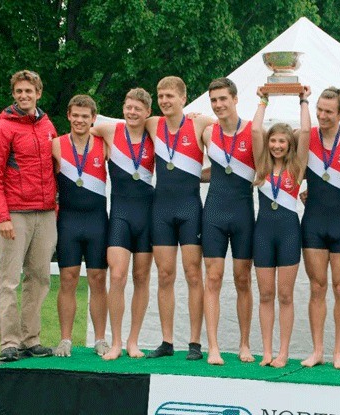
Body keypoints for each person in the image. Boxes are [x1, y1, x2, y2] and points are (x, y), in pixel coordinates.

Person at [0, 70, 58, 361]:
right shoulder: (2, 128)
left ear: (38, 93)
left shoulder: (47, 125)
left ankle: (31, 339)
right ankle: (9, 343)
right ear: (13, 94)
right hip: (15, 214)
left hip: (46, 213)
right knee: (9, 279)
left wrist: (56, 207)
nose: (24, 96)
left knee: (39, 278)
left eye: (29, 91)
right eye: (19, 92)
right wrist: (1, 217)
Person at [145, 76, 214, 360]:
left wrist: (198, 175)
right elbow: (113, 126)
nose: (164, 101)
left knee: (193, 274)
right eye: (160, 95)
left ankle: (195, 343)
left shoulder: (200, 124)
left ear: (184, 98)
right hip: (161, 209)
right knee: (164, 275)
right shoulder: (152, 124)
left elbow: (234, 134)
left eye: (170, 96)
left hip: (189, 209)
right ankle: (166, 341)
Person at [300, 87, 340, 370]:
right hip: (313, 220)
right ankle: (318, 351)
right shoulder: (306, 135)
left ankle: (339, 352)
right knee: (317, 287)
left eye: (328, 111)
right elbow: (270, 144)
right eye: (319, 110)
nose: (322, 116)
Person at [92, 88, 155, 360]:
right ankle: (115, 341)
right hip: (119, 214)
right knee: (116, 276)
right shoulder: (109, 130)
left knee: (141, 278)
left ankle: (133, 341)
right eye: (128, 107)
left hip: (147, 214)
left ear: (147, 112)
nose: (132, 112)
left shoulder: (155, 133)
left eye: (137, 108)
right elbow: (82, 131)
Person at [251, 86, 311, 368]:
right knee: (265, 295)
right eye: (272, 140)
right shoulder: (260, 166)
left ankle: (283, 351)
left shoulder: (297, 167)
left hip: (289, 233)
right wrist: (263, 100)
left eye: (282, 142)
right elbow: (254, 131)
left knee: (285, 295)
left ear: (290, 145)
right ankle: (266, 351)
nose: (276, 145)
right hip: (262, 234)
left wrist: (303, 100)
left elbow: (306, 133)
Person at [201, 77, 255, 365]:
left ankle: (244, 344)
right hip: (214, 211)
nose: (219, 104)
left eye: (223, 98)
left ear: (235, 99)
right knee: (213, 277)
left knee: (243, 279)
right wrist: (192, 175)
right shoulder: (207, 132)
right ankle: (213, 347)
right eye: (214, 100)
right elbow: (220, 169)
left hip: (243, 212)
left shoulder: (254, 130)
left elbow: (270, 163)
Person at [52, 95, 110, 357]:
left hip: (97, 220)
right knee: (68, 279)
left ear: (93, 119)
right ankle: (65, 339)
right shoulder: (56, 144)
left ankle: (100, 339)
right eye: (75, 115)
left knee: (98, 280)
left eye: (85, 116)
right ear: (68, 115)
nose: (79, 120)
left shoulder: (103, 143)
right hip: (69, 221)